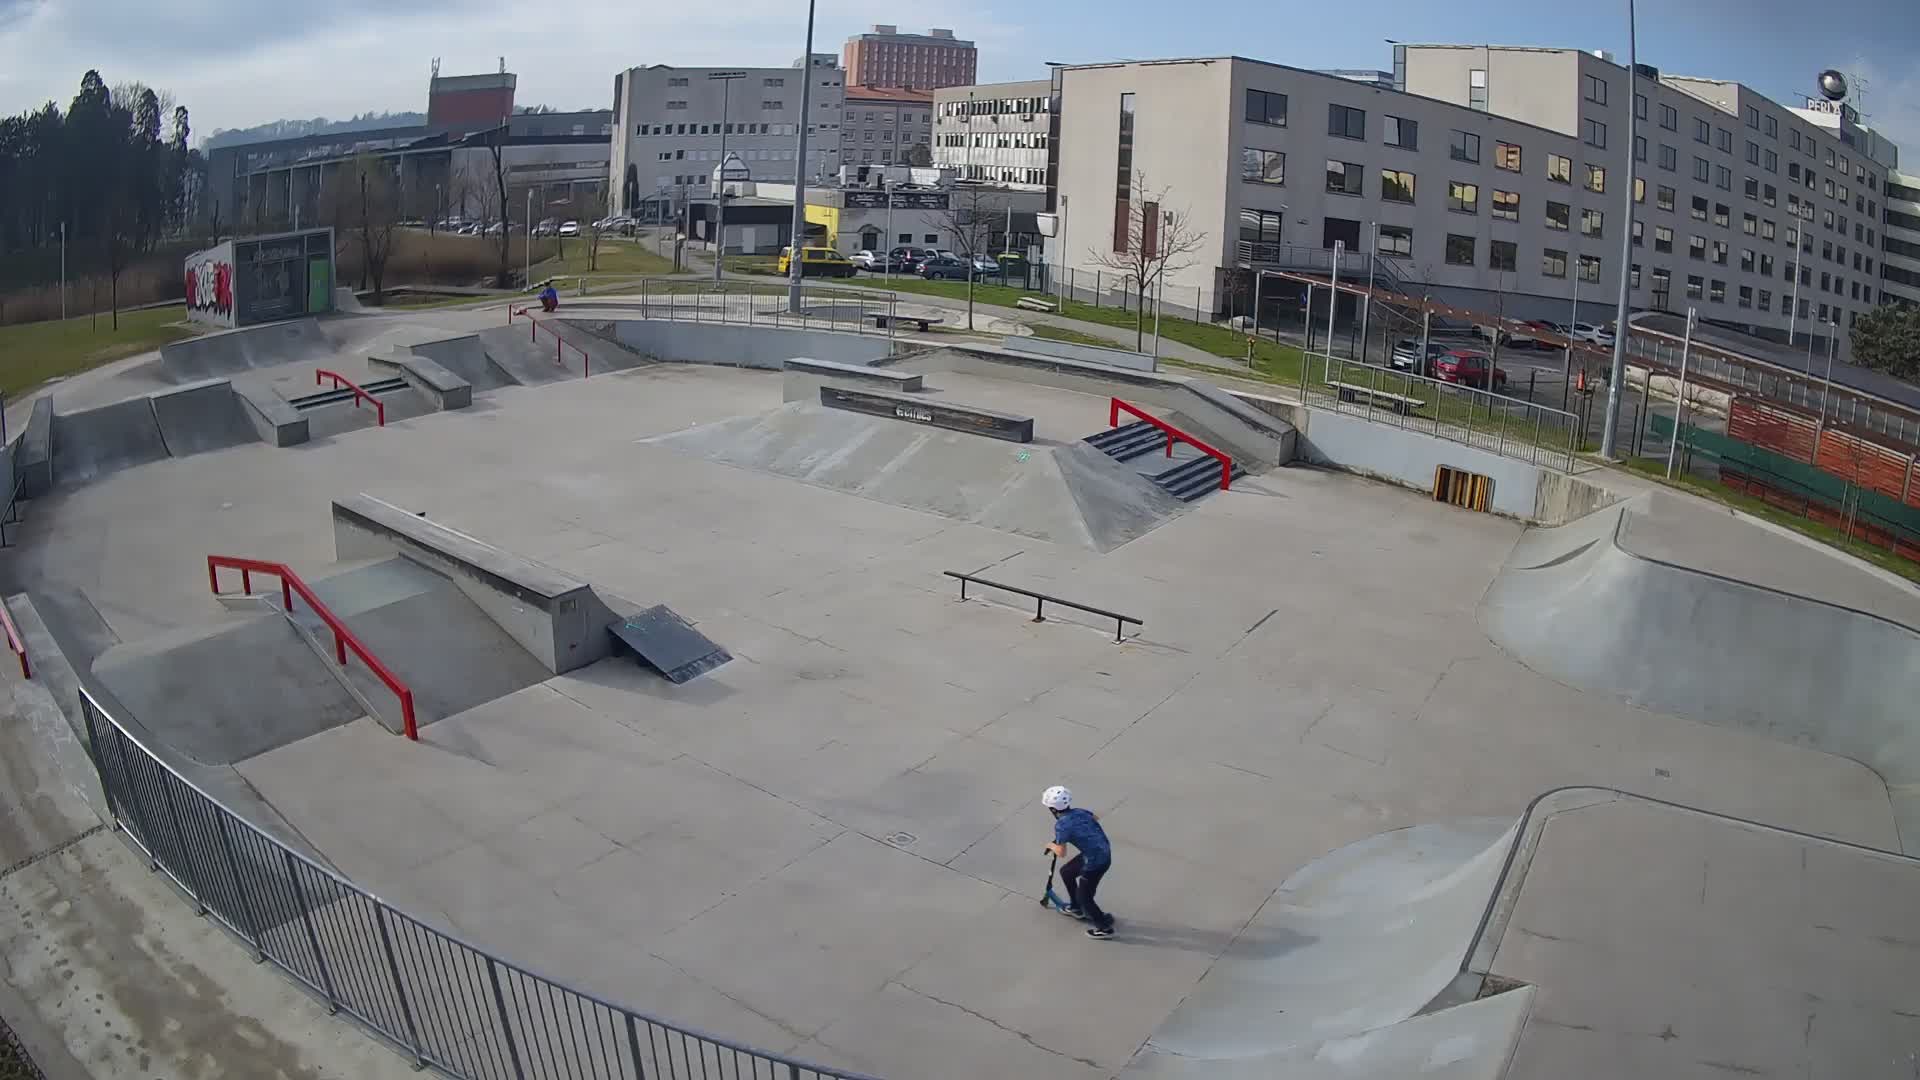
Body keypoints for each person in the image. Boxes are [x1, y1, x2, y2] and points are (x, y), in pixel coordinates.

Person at [1042, 785, 1115, 938]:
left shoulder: (1062, 825)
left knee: (1085, 897)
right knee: (1067, 872)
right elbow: (1095, 818)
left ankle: (1103, 927)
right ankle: (1076, 908)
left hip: (1095, 863)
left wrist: (1051, 845)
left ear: (1053, 810)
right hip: (1101, 851)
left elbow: (1061, 852)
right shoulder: (1080, 811)